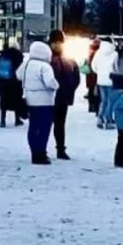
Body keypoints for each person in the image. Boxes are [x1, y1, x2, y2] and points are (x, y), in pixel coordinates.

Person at [16, 40, 59, 165]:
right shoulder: (45, 66)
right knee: (44, 128)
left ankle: (34, 152)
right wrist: (57, 85)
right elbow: (50, 82)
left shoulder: (27, 63)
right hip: (45, 101)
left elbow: (18, 75)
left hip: (30, 99)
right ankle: (41, 153)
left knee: (33, 127)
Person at [49, 30, 81, 159]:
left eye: (59, 42)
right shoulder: (47, 58)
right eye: (54, 42)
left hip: (63, 97)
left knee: (60, 125)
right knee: (46, 124)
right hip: (49, 97)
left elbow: (76, 76)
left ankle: (60, 149)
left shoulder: (69, 59)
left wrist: (70, 89)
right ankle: (40, 149)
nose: (57, 45)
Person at [91, 39, 118, 129]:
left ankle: (100, 118)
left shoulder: (98, 52)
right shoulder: (114, 54)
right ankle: (108, 120)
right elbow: (116, 67)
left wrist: (99, 72)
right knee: (111, 101)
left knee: (103, 101)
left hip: (101, 80)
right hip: (111, 80)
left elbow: (93, 66)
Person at [0, 45, 24, 128]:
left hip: (3, 82)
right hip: (15, 82)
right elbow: (20, 69)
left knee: (4, 101)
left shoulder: (3, 55)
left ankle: (2, 120)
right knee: (16, 101)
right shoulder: (18, 55)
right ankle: (17, 120)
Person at [84, 38, 101, 115]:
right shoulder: (98, 53)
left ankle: (91, 106)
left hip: (90, 74)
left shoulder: (89, 52)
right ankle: (95, 106)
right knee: (96, 91)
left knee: (91, 90)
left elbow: (86, 63)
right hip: (95, 74)